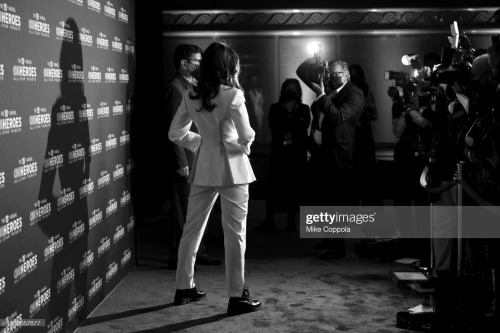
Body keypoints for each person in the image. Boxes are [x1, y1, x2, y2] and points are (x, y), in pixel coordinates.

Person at [168, 41, 262, 316]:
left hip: (203, 168)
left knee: (192, 229)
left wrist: (204, 145)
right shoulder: (233, 95)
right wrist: (235, 147)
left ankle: (183, 287)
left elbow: (175, 134)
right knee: (235, 236)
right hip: (233, 169)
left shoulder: (191, 94)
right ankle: (236, 296)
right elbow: (247, 137)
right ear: (229, 67)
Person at [297, 59, 364, 259]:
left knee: (338, 200)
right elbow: (301, 72)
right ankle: (329, 239)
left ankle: (338, 246)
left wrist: (321, 94)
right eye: (331, 73)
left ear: (347, 75)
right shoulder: (326, 87)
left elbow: (337, 117)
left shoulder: (354, 93)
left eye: (338, 74)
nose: (334, 77)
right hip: (323, 150)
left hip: (341, 154)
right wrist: (315, 58)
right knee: (324, 196)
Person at [164, 44, 221, 269]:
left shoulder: (196, 86)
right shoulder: (176, 88)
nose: (200, 65)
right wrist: (180, 163)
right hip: (186, 161)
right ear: (184, 64)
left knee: (199, 209)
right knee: (184, 210)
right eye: (196, 62)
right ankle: (179, 258)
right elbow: (173, 131)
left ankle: (199, 252)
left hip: (200, 157)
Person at [255, 78, 310, 233]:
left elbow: (302, 128)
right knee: (274, 187)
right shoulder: (275, 108)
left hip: (296, 155)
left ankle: (291, 222)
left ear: (298, 92)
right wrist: (292, 124)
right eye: (288, 88)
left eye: (293, 89)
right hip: (279, 154)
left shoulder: (304, 109)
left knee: (294, 188)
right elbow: (275, 126)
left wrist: (289, 124)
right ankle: (269, 220)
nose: (290, 91)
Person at [349, 64, 383, 206]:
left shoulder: (367, 92)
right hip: (351, 132)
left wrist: (365, 113)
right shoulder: (345, 92)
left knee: (367, 166)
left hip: (364, 131)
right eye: (352, 75)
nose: (354, 77)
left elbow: (375, 114)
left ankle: (370, 200)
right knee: (352, 167)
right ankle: (353, 200)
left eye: (356, 74)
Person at [247, 74, 265, 142]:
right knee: (254, 128)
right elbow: (254, 101)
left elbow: (262, 101)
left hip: (259, 112)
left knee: (259, 128)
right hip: (253, 112)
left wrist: (259, 101)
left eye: (255, 80)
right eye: (253, 80)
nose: (254, 82)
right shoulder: (250, 91)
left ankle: (259, 140)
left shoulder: (258, 90)